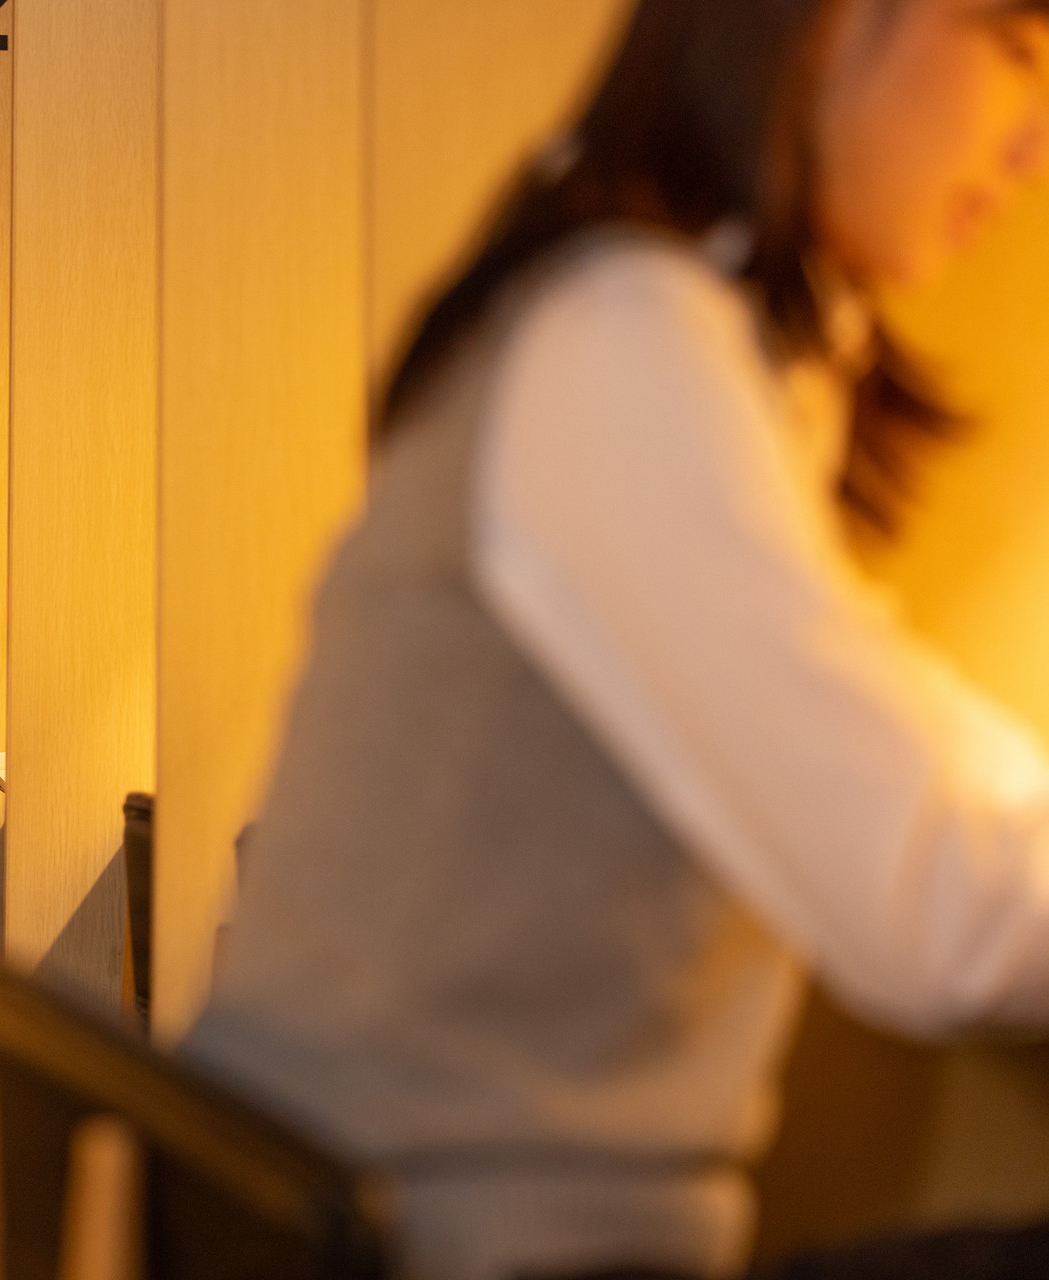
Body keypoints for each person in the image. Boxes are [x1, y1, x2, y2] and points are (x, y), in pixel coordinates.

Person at [181, 1, 1049, 1278]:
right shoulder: (621, 339)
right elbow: (932, 905)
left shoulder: (695, 341)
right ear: (831, 24)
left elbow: (872, 708)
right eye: (1016, 52)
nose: (1031, 143)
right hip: (455, 1240)